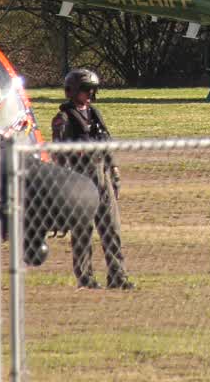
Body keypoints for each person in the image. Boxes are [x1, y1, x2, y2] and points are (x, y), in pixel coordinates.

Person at [51, 68, 134, 290]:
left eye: (92, 90)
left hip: (101, 173)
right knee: (83, 231)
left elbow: (106, 141)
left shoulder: (95, 113)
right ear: (73, 91)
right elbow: (58, 153)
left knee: (111, 228)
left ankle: (118, 276)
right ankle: (86, 279)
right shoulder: (63, 119)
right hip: (79, 176)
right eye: (86, 90)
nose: (89, 94)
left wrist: (113, 168)